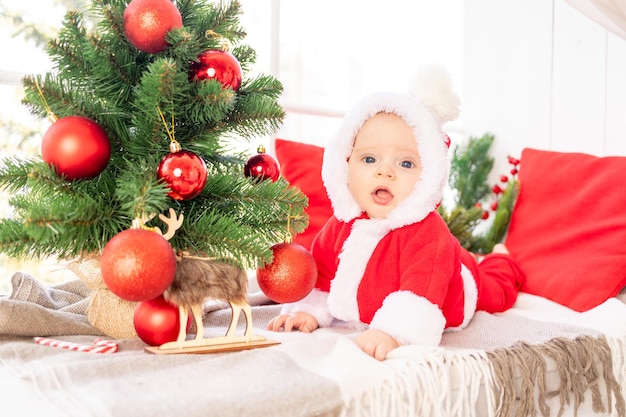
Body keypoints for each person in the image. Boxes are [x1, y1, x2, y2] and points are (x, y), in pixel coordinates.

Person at [267, 65, 525, 361]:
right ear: (345, 164)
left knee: (496, 291)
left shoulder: (427, 234)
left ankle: (502, 261)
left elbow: (419, 296)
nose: (384, 171)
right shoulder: (342, 224)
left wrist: (393, 332)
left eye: (405, 164)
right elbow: (324, 275)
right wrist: (308, 311)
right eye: (369, 159)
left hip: (457, 284)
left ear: (428, 174)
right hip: (446, 258)